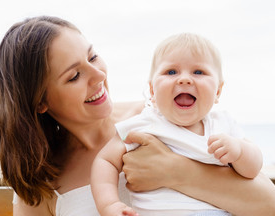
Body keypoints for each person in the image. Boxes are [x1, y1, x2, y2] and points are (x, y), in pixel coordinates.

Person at [0, 16, 275, 216]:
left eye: (93, 57)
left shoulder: (158, 117)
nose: (99, 75)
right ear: (41, 101)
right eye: (74, 76)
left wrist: (174, 170)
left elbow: (273, 206)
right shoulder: (41, 181)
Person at [91, 33, 263, 216]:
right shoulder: (142, 124)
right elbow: (105, 161)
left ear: (218, 91)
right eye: (171, 72)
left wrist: (239, 151)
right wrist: (109, 205)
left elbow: (253, 169)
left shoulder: (223, 124)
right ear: (152, 90)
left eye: (198, 72)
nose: (184, 79)